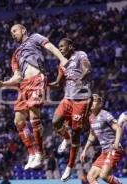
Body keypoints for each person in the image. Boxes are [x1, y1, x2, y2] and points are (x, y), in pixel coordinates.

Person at [0, 24, 68, 169]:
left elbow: (50, 46)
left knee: (34, 118)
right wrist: (4, 83)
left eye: (14, 31)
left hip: (37, 79)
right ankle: (32, 153)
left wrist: (62, 59)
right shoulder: (15, 54)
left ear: (23, 30)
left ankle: (40, 154)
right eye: (11, 32)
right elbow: (17, 77)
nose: (13, 34)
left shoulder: (34, 37)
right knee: (18, 121)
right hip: (24, 86)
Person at [49, 38, 91, 181]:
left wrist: (81, 78)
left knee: (76, 133)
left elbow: (87, 69)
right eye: (58, 47)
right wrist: (48, 84)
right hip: (67, 99)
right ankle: (65, 139)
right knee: (55, 122)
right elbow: (58, 83)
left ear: (71, 46)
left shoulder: (80, 55)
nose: (60, 49)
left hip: (81, 100)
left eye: (62, 46)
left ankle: (69, 166)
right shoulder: (62, 63)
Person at [80, 94, 124, 184]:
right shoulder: (91, 117)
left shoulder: (104, 114)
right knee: (90, 176)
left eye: (95, 100)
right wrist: (84, 150)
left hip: (113, 149)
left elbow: (118, 128)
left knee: (104, 175)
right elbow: (92, 135)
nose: (92, 102)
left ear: (100, 104)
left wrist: (116, 143)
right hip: (104, 152)